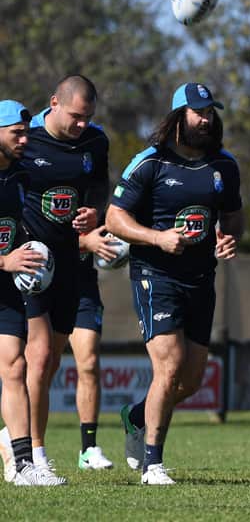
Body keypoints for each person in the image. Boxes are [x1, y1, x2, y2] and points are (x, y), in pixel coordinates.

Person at [106, 82, 243, 485]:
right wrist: (157, 238)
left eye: (210, 112)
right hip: (155, 276)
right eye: (199, 112)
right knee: (169, 365)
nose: (207, 119)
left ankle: (135, 416)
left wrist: (230, 236)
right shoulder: (149, 163)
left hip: (201, 278)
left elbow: (234, 216)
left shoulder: (224, 165)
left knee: (193, 380)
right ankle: (153, 464)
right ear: (178, 116)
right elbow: (114, 219)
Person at [0, 76, 108, 486]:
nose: (82, 125)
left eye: (88, 118)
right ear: (55, 104)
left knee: (48, 362)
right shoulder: (22, 152)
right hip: (29, 263)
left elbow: (98, 187)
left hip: (70, 259)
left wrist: (93, 215)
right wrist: (11, 257)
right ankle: (34, 457)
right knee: (34, 358)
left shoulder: (95, 143)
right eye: (76, 117)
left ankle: (17, 440)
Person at [0, 100, 66, 486]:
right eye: (16, 133)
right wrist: (4, 261)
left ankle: (23, 464)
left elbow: (21, 230)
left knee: (15, 366)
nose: (25, 139)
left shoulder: (21, 177)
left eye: (27, 132)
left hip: (5, 288)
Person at [69, 225, 123, 471]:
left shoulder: (95, 192)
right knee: (42, 365)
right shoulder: (31, 188)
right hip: (44, 285)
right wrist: (82, 242)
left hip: (83, 288)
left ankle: (88, 448)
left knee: (89, 363)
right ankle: (24, 442)